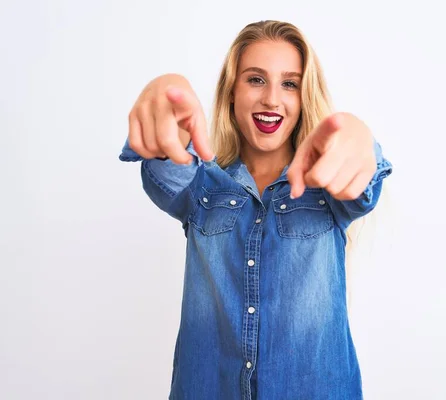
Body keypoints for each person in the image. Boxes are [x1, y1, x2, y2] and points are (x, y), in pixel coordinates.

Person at [119, 19, 393, 400]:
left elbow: (361, 182)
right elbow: (165, 163)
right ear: (232, 92)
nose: (272, 99)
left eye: (290, 83)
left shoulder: (325, 188)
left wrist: (358, 134)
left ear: (303, 97)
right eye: (256, 79)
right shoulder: (202, 188)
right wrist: (167, 87)